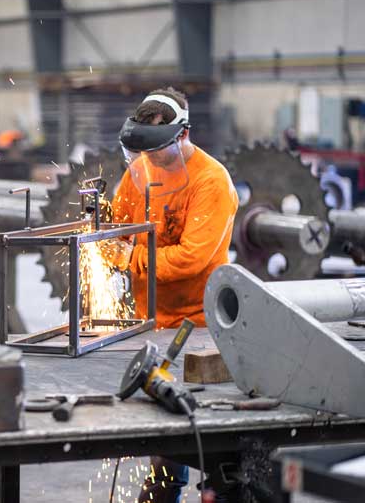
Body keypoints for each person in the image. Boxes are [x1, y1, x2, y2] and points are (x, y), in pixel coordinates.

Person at [110, 88, 239, 502]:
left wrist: (129, 258)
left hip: (200, 327)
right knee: (161, 436)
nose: (151, 162)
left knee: (202, 432)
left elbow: (191, 259)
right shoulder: (140, 170)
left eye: (159, 153)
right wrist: (104, 243)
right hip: (153, 322)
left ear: (183, 136)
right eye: (143, 153)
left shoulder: (210, 180)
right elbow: (117, 225)